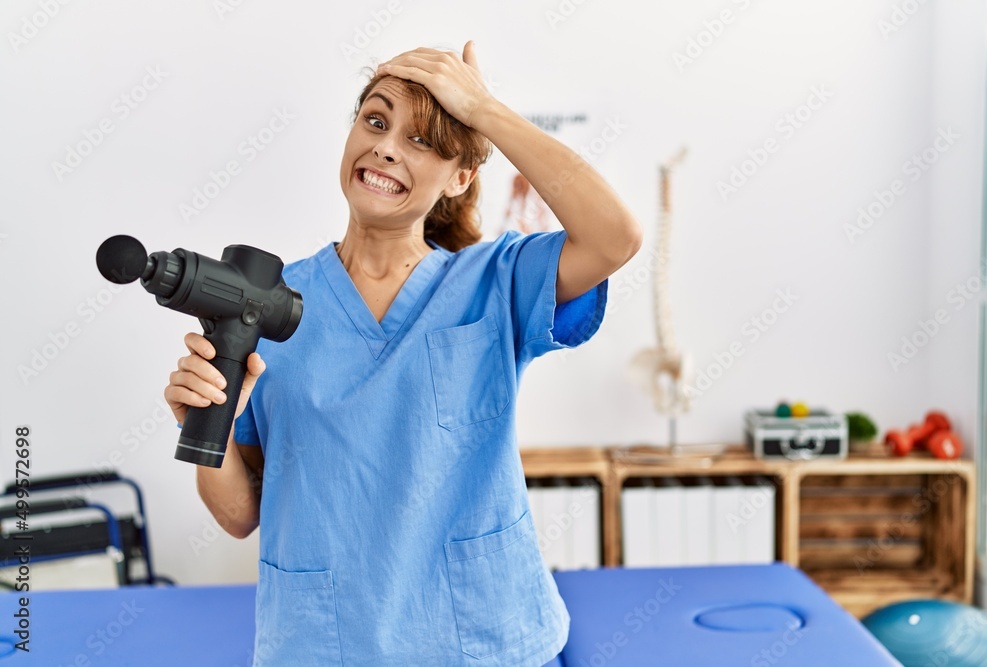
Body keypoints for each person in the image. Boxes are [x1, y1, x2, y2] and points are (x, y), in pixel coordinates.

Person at [165, 41, 642, 666]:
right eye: (375, 120)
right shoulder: (271, 303)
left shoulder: (494, 282)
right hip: (328, 643)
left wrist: (484, 110)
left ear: (461, 178)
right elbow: (238, 514)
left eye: (422, 140)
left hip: (484, 638)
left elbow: (616, 236)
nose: (386, 146)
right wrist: (207, 425)